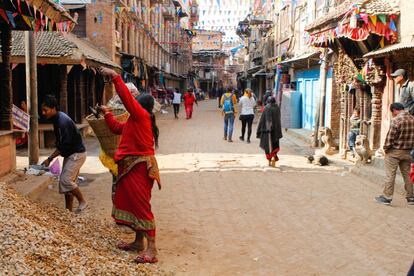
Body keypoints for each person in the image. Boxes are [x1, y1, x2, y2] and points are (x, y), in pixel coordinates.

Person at [99, 66, 160, 264]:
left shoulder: (140, 116)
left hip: (140, 167)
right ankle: (138, 242)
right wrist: (107, 113)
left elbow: (126, 100)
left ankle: (152, 249)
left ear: (138, 107)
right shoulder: (135, 121)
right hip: (131, 167)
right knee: (133, 204)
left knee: (141, 206)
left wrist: (115, 77)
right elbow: (116, 127)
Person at [41, 95, 87, 213]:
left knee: (65, 181)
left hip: (77, 154)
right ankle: (68, 212)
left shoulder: (62, 122)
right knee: (68, 186)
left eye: (45, 110)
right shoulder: (56, 119)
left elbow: (63, 146)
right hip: (71, 154)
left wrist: (50, 158)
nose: (43, 113)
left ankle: (82, 201)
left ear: (53, 109)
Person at [375, 103, 414, 205]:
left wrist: (385, 149)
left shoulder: (396, 120)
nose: (393, 115)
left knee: (390, 175)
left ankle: (387, 197)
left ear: (395, 110)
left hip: (394, 152)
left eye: (392, 112)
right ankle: (411, 197)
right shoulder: (412, 119)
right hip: (408, 152)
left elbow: (390, 138)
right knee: (407, 175)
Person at [256, 96, 283, 167]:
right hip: (276, 130)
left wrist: (262, 129)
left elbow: (265, 119)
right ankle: (274, 157)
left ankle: (269, 160)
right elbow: (278, 118)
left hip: (267, 131)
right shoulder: (277, 108)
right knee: (274, 145)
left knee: (267, 146)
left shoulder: (267, 108)